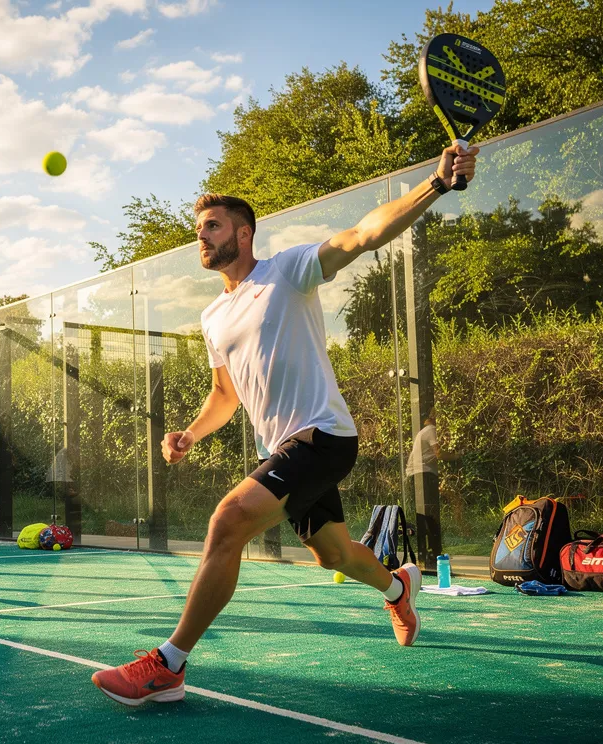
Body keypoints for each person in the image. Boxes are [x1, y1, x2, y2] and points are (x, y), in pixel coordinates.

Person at [91, 145, 479, 706]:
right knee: (335, 555)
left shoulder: (287, 272)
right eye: (198, 229)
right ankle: (399, 587)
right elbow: (226, 392)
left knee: (226, 521)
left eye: (212, 226)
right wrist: (192, 433)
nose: (201, 237)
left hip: (322, 436)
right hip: (282, 446)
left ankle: (168, 664)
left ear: (243, 233)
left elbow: (361, 236)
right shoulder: (212, 316)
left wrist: (434, 185)